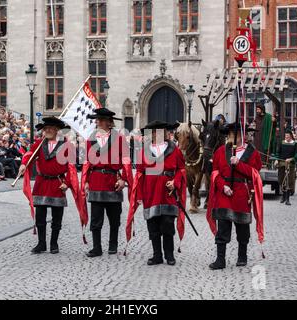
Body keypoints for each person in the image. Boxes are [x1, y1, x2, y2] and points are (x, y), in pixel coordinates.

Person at [19, 117, 86, 254]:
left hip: (57, 183)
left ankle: (54, 243)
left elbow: (71, 167)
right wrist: (23, 164)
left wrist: (67, 183)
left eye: (50, 128)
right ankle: (41, 243)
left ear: (56, 130)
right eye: (45, 128)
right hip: (41, 182)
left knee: (57, 216)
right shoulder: (39, 143)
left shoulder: (66, 145)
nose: (47, 130)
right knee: (40, 215)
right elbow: (29, 155)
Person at [126, 120, 187, 266]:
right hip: (150, 192)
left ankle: (169, 255)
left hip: (168, 193)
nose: (158, 134)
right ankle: (157, 255)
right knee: (153, 225)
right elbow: (140, 173)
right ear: (151, 134)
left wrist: (175, 182)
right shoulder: (144, 151)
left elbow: (181, 169)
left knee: (167, 224)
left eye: (161, 131)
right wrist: (139, 195)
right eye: (154, 132)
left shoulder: (175, 150)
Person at [206, 123, 264, 270]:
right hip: (224, 192)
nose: (233, 136)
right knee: (223, 226)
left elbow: (255, 174)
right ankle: (220, 259)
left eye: (237, 133)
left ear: (243, 135)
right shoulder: (220, 151)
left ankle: (242, 256)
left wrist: (238, 164)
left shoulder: (252, 153)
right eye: (231, 133)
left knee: (242, 227)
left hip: (241, 193)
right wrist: (222, 186)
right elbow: (215, 173)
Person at [81, 108, 133, 257]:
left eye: (102, 120)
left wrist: (123, 179)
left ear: (109, 123)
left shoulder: (119, 139)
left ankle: (113, 245)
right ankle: (96, 247)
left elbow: (126, 162)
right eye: (98, 120)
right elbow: (87, 163)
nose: (99, 122)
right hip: (96, 181)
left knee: (114, 218)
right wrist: (85, 182)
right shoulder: (91, 139)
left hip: (113, 181)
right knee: (96, 219)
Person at [277, 130, 297, 205]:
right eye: (286, 136)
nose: (287, 137)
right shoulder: (282, 143)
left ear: (291, 136)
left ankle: (287, 199)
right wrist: (277, 159)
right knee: (281, 180)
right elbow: (278, 152)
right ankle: (283, 196)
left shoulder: (295, 144)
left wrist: (291, 159)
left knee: (289, 181)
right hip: (282, 164)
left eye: (288, 136)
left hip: (290, 165)